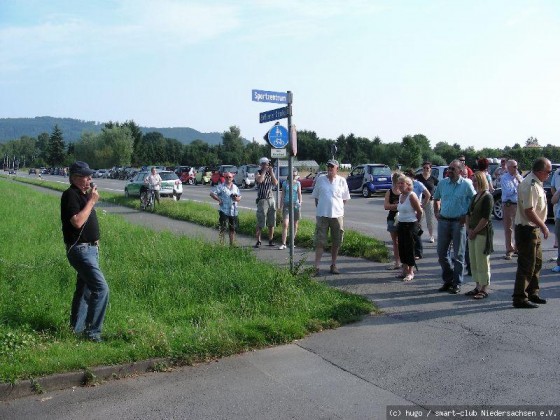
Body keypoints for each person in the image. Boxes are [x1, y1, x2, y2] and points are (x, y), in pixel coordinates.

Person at [60, 161, 109, 343]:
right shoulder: (70, 195)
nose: (90, 179)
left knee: (84, 290)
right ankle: (93, 333)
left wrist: (88, 198)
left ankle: (76, 329)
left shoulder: (81, 194)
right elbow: (77, 222)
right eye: (86, 176)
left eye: (90, 175)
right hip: (80, 250)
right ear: (74, 178)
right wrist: (91, 201)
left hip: (90, 249)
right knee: (100, 288)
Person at [512, 157, 551, 309]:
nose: (549, 174)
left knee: (537, 262)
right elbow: (529, 211)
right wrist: (543, 226)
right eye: (548, 172)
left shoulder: (536, 183)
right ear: (540, 171)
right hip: (527, 229)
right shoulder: (530, 184)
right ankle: (520, 297)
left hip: (533, 229)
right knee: (527, 264)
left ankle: (532, 292)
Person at [433, 159, 476, 294]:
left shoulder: (466, 185)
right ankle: (448, 279)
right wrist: (436, 212)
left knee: (458, 255)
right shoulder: (442, 183)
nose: (449, 171)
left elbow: (474, 201)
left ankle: (456, 283)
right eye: (449, 168)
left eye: (452, 169)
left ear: (460, 171)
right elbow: (436, 198)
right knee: (441, 254)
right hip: (444, 221)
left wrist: (467, 215)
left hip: (459, 222)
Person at [312, 159, 351, 275]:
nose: (329, 169)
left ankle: (333, 265)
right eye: (328, 167)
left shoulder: (342, 181)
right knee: (320, 241)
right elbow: (316, 197)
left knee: (336, 241)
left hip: (337, 216)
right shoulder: (320, 180)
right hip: (322, 215)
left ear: (337, 169)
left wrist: (337, 208)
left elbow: (344, 199)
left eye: (332, 167)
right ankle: (316, 267)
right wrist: (322, 208)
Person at [465, 171, 494, 299]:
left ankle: (484, 287)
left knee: (482, 260)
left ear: (482, 181)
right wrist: (468, 229)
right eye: (473, 181)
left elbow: (485, 218)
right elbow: (468, 214)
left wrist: (474, 231)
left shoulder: (487, 197)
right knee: (474, 260)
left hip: (482, 232)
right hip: (472, 232)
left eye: (476, 181)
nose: (474, 183)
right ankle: (477, 286)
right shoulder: (475, 196)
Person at [396, 175, 423, 282]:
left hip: (410, 225)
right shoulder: (400, 196)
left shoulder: (412, 196)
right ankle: (404, 270)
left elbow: (419, 211)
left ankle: (410, 272)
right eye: (399, 183)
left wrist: (417, 223)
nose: (400, 185)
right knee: (401, 248)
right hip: (401, 224)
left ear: (408, 185)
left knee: (410, 249)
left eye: (402, 183)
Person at [210, 172, 241, 246]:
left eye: (230, 177)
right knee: (223, 228)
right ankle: (221, 244)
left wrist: (236, 198)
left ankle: (232, 244)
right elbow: (212, 193)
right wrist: (219, 200)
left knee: (232, 229)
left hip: (233, 211)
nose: (228, 179)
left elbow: (240, 197)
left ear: (232, 178)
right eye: (226, 177)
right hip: (224, 210)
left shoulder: (235, 187)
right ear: (224, 178)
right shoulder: (221, 186)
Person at [404, 168, 430, 259]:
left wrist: (422, 205)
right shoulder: (405, 185)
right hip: (408, 211)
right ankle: (412, 250)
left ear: (412, 176)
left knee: (416, 231)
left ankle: (418, 252)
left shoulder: (418, 184)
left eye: (408, 176)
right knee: (409, 232)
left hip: (417, 210)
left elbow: (428, 194)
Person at [501, 159, 522, 260]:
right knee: (508, 228)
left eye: (516, 166)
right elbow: (509, 191)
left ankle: (517, 248)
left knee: (518, 226)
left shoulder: (518, 177)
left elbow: (524, 187)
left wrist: (518, 181)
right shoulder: (505, 178)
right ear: (508, 168)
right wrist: (518, 187)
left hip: (518, 204)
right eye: (514, 167)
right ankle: (509, 249)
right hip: (508, 205)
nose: (516, 168)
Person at [254, 157, 278, 247]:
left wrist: (271, 173)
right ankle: (258, 240)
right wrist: (264, 171)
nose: (266, 165)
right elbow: (259, 180)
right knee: (261, 220)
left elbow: (275, 183)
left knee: (272, 221)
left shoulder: (270, 173)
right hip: (262, 199)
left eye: (267, 163)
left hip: (271, 198)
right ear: (261, 164)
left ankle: (271, 240)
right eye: (264, 164)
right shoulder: (258, 172)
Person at [278, 169, 303, 250]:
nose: (294, 177)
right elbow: (282, 195)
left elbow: (299, 194)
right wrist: (280, 206)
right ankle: (283, 243)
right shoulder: (285, 183)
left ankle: (292, 242)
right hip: (287, 204)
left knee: (295, 224)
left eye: (295, 175)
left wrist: (300, 203)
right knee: (285, 224)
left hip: (295, 205)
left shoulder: (298, 183)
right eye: (292, 175)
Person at [415, 161, 438, 243]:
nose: (425, 169)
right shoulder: (418, 177)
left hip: (429, 201)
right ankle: (418, 236)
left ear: (430, 169)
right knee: (418, 219)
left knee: (430, 220)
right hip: (419, 201)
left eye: (427, 168)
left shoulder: (433, 178)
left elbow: (439, 187)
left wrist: (436, 196)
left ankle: (431, 236)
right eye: (424, 168)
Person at [384, 172, 402, 270]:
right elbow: (386, 206)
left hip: (403, 219)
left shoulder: (405, 192)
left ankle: (404, 262)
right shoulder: (389, 192)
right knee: (395, 242)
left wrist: (395, 207)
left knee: (403, 241)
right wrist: (398, 206)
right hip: (392, 218)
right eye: (397, 180)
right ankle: (397, 262)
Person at [550, 166, 560, 248]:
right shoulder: (557, 173)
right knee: (557, 222)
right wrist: (556, 197)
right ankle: (556, 241)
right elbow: (552, 187)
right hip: (558, 201)